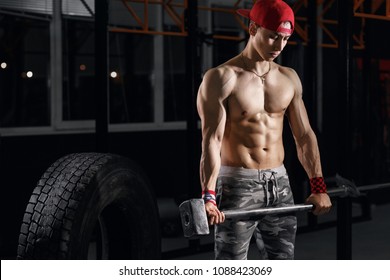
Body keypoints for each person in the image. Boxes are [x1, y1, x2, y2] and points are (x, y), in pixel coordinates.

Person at [196, 0, 332, 260]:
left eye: (285, 39)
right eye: (272, 37)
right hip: (237, 184)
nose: (278, 46)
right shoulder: (222, 77)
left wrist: (318, 185)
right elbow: (211, 141)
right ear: (252, 28)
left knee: (282, 264)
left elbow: (304, 136)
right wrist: (209, 195)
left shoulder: (288, 77)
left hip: (279, 183)